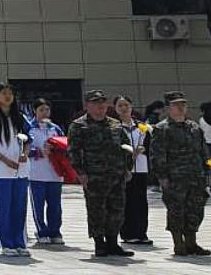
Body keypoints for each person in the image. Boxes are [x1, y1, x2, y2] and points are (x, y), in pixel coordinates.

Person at [67, 89, 134, 258]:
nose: (101, 106)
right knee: (97, 211)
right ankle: (99, 243)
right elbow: (73, 151)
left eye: (103, 103)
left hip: (116, 175)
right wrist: (80, 173)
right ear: (87, 105)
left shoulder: (115, 124)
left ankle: (113, 242)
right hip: (94, 176)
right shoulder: (79, 126)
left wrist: (128, 168)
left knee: (116, 210)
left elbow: (126, 147)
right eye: (96, 103)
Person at [149, 91, 209, 256]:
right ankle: (178, 243)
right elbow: (157, 155)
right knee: (176, 210)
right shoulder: (162, 129)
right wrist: (162, 177)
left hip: (196, 176)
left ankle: (191, 242)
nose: (181, 108)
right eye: (176, 105)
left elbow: (204, 152)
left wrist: (208, 170)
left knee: (195, 209)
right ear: (168, 108)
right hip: (175, 178)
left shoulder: (194, 127)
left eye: (183, 104)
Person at [0, 83, 32, 257]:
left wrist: (24, 154)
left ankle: (20, 242)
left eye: (10, 93)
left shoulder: (20, 117)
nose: (8, 96)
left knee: (19, 207)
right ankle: (6, 243)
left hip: (21, 170)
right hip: (1, 170)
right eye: (4, 93)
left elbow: (29, 139)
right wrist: (4, 159)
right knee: (5, 207)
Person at [27, 99, 66, 245]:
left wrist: (56, 150)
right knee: (38, 205)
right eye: (41, 110)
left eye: (47, 110)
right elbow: (22, 149)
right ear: (35, 111)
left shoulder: (55, 128)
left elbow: (64, 146)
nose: (44, 113)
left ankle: (55, 231)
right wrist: (37, 152)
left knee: (55, 205)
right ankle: (41, 231)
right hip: (36, 173)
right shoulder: (29, 128)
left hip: (54, 173)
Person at [115, 95, 152, 245]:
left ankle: (141, 232)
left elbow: (151, 144)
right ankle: (128, 233)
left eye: (126, 105)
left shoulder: (142, 126)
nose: (124, 108)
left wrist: (143, 148)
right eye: (120, 106)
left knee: (141, 201)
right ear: (116, 109)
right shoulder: (115, 127)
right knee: (126, 201)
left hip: (141, 168)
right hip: (124, 170)